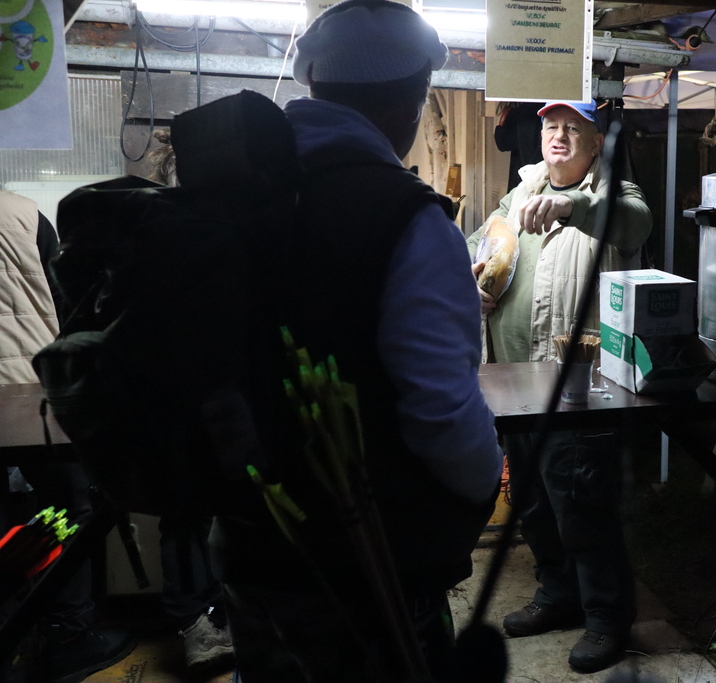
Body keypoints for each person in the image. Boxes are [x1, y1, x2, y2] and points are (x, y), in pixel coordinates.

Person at [208, 2, 503, 681]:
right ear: (412, 99)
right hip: (370, 575)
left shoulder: (234, 197)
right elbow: (444, 415)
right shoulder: (408, 219)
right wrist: (486, 479)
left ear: (315, 85)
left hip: (252, 547)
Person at [467, 100, 653, 673]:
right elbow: (482, 244)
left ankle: (607, 617)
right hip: (510, 383)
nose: (560, 136)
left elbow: (633, 224)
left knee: (582, 505)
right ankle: (558, 593)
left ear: (596, 144)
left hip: (577, 387)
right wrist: (473, 279)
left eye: (575, 129)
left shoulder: (616, 194)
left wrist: (571, 205)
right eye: (552, 126)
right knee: (533, 503)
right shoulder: (519, 194)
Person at [1, 186, 136, 681]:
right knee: (70, 504)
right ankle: (68, 632)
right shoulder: (23, 214)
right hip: (29, 392)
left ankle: (9, 639)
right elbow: (69, 303)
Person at [144, 130, 235, 675]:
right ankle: (194, 624)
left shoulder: (224, 226)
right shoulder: (162, 230)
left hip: (220, 392)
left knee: (214, 509)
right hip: (177, 394)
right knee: (184, 514)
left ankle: (217, 614)